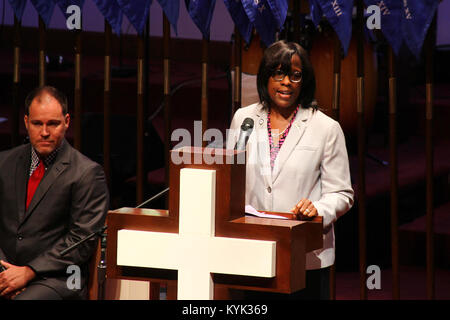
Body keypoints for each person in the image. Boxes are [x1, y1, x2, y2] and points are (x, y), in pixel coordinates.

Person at [227, 40, 354, 299]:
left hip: (305, 254)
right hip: (252, 249)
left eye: (295, 75)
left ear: (304, 81)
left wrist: (317, 209)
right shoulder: (244, 119)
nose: (286, 82)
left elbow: (342, 194)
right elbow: (230, 178)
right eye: (278, 73)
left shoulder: (326, 128)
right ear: (266, 77)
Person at [0, 86, 109, 300]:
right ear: (25, 122)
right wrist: (5, 273)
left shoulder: (87, 173)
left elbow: (81, 240)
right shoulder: (4, 162)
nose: (44, 132)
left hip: (60, 277)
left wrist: (29, 272)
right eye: (37, 123)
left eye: (53, 124)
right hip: (6, 270)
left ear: (67, 122)